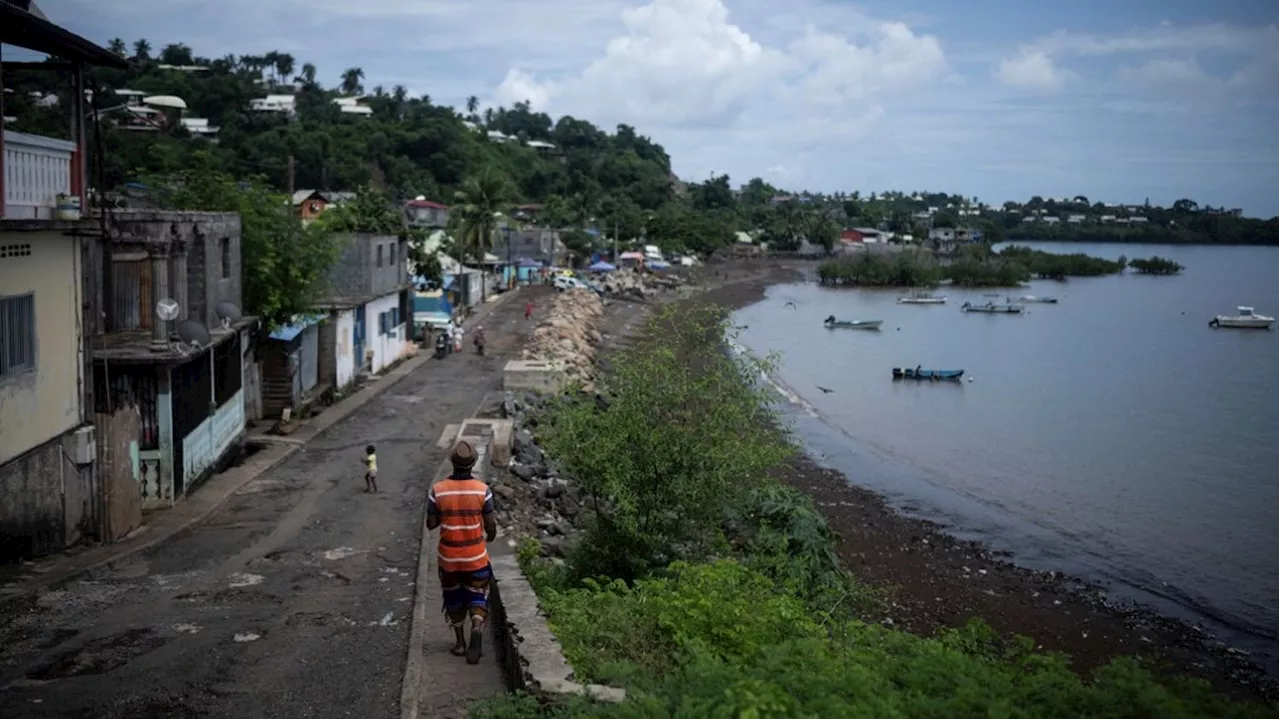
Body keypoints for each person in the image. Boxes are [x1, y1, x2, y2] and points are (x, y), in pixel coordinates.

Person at [426, 441, 498, 663]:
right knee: (477, 594)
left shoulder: (438, 490)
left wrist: (445, 512)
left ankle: (459, 644)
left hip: (449, 558)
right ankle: (476, 627)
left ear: (452, 462)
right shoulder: (482, 491)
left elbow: (431, 524)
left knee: (453, 597)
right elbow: (490, 526)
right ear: (473, 463)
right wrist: (490, 537)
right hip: (475, 557)